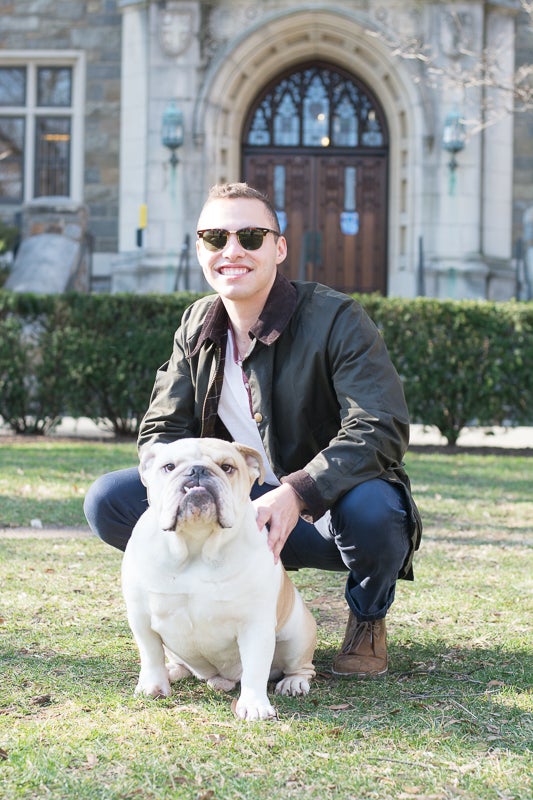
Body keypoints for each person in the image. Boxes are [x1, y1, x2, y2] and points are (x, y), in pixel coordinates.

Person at [84, 182, 422, 678]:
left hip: (326, 512)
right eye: (215, 237)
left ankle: (368, 618)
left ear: (279, 248)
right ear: (200, 249)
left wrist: (297, 493)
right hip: (235, 505)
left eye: (251, 236)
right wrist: (171, 479)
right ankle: (202, 604)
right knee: (110, 499)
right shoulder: (198, 322)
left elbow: (380, 425)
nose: (232, 251)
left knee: (377, 511)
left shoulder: (337, 318)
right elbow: (162, 427)